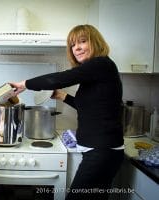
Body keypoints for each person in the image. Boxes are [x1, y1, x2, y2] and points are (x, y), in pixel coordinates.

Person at [10, 24, 124, 200]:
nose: (76, 48)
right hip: (100, 150)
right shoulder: (96, 71)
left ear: (95, 42)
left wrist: (25, 84)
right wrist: (62, 97)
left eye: (82, 42)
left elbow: (59, 78)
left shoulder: (101, 64)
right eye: (72, 44)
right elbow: (87, 106)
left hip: (102, 151)